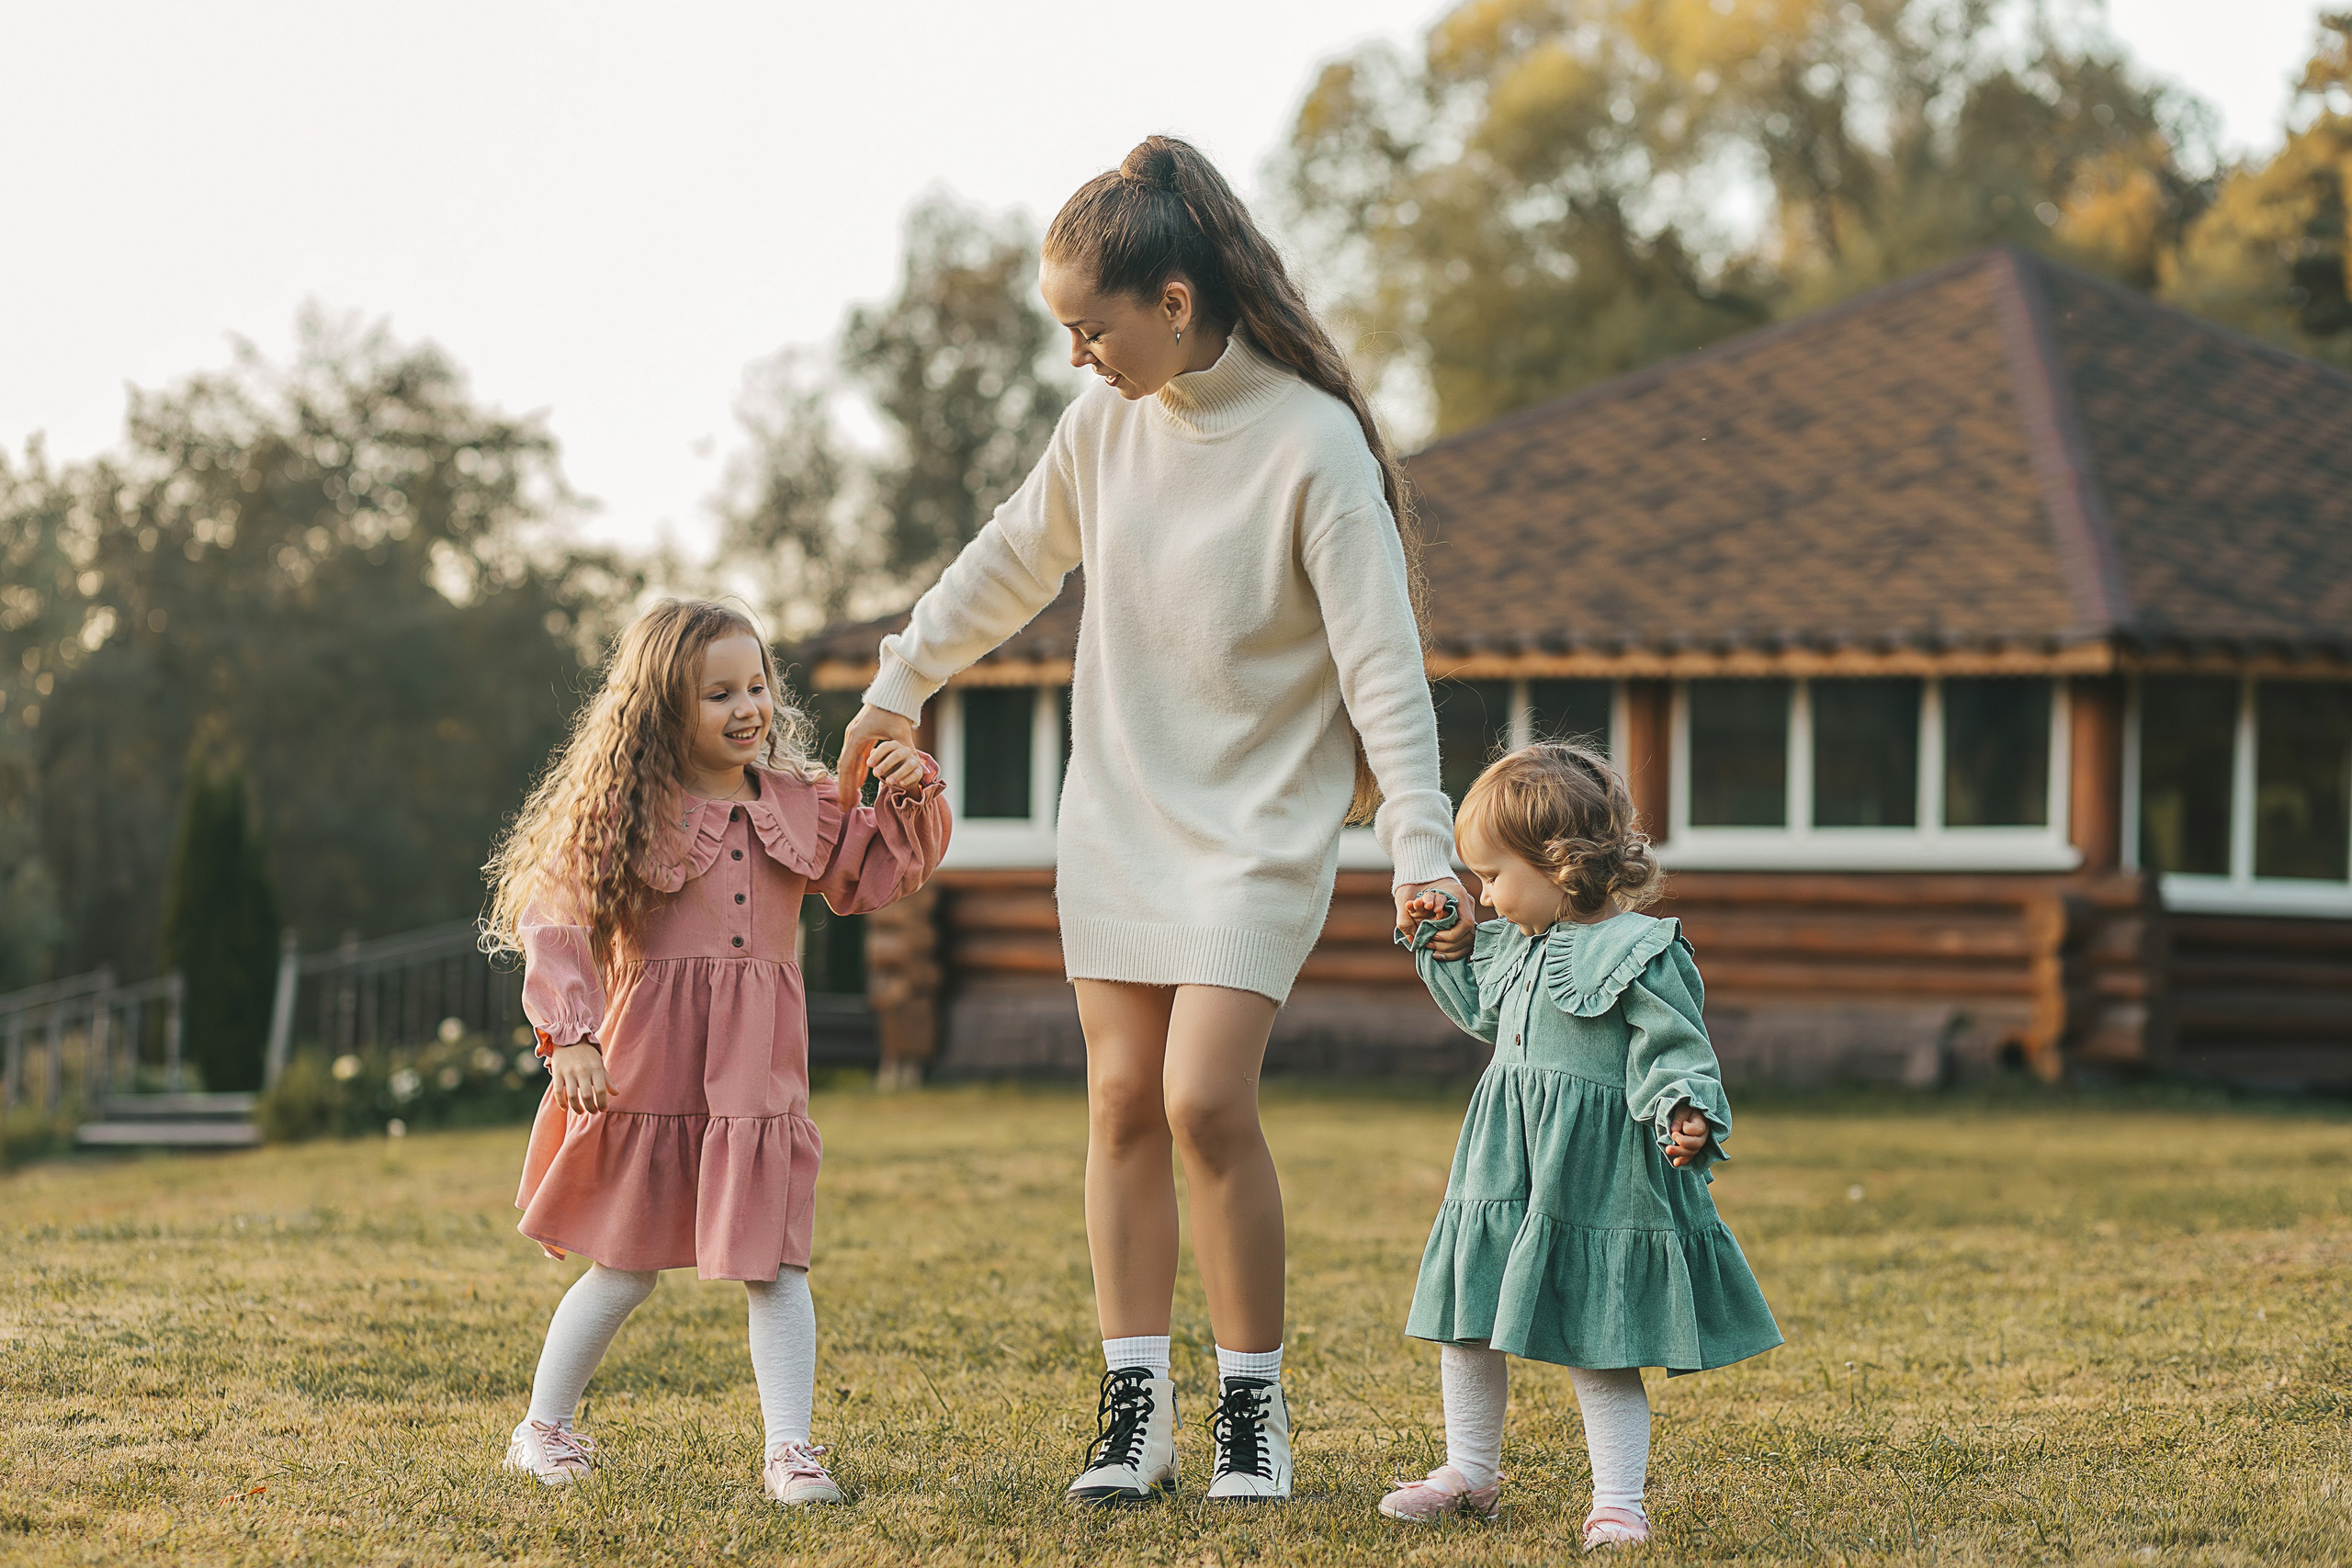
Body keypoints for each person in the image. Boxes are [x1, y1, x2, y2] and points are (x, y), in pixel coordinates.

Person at [831, 135, 1473, 1505]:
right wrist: (898, 688)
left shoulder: (1314, 447)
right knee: (1121, 1100)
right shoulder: (1102, 426)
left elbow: (1383, 667)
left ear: (1174, 303)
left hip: (1256, 825)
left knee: (1200, 1095)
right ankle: (1137, 1409)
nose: (1080, 356)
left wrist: (1419, 836)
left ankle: (1253, 1407)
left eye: (1092, 327)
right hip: (1120, 806)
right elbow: (1011, 559)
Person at [481, 599, 949, 1504]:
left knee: (775, 1265)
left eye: (757, 685)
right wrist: (570, 1035)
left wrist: (904, 785)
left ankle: (790, 1452)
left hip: (757, 1070)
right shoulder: (623, 811)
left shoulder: (796, 803)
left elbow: (868, 873)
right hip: (647, 1067)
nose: (748, 707)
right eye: (717, 693)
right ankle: (541, 1430)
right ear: (663, 708)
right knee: (623, 1271)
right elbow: (555, 915)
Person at [1382, 742, 1781, 1547]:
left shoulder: (1638, 949)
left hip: (1594, 1171)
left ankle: (1618, 1501)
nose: (1485, 898)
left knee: (1600, 1338)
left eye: (1493, 877)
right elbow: (1483, 1013)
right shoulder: (1516, 946)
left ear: (1560, 864)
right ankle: (1470, 1471)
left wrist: (1684, 1109)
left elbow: (1676, 1047)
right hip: (1504, 1158)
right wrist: (1442, 940)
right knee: (1467, 1316)